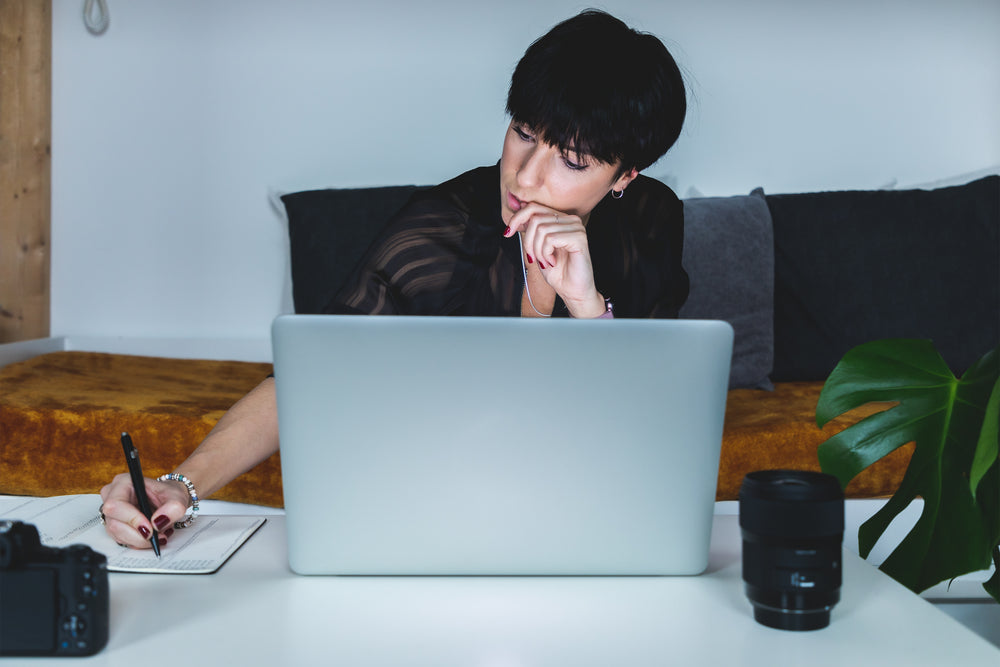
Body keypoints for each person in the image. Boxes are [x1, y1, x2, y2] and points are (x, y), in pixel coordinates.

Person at [99, 8, 690, 549]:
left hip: (588, 498)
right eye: (524, 132)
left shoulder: (648, 219)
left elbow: (652, 424)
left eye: (573, 160)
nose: (527, 177)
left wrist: (587, 306)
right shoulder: (440, 225)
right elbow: (316, 370)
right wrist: (181, 485)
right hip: (450, 494)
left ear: (624, 176)